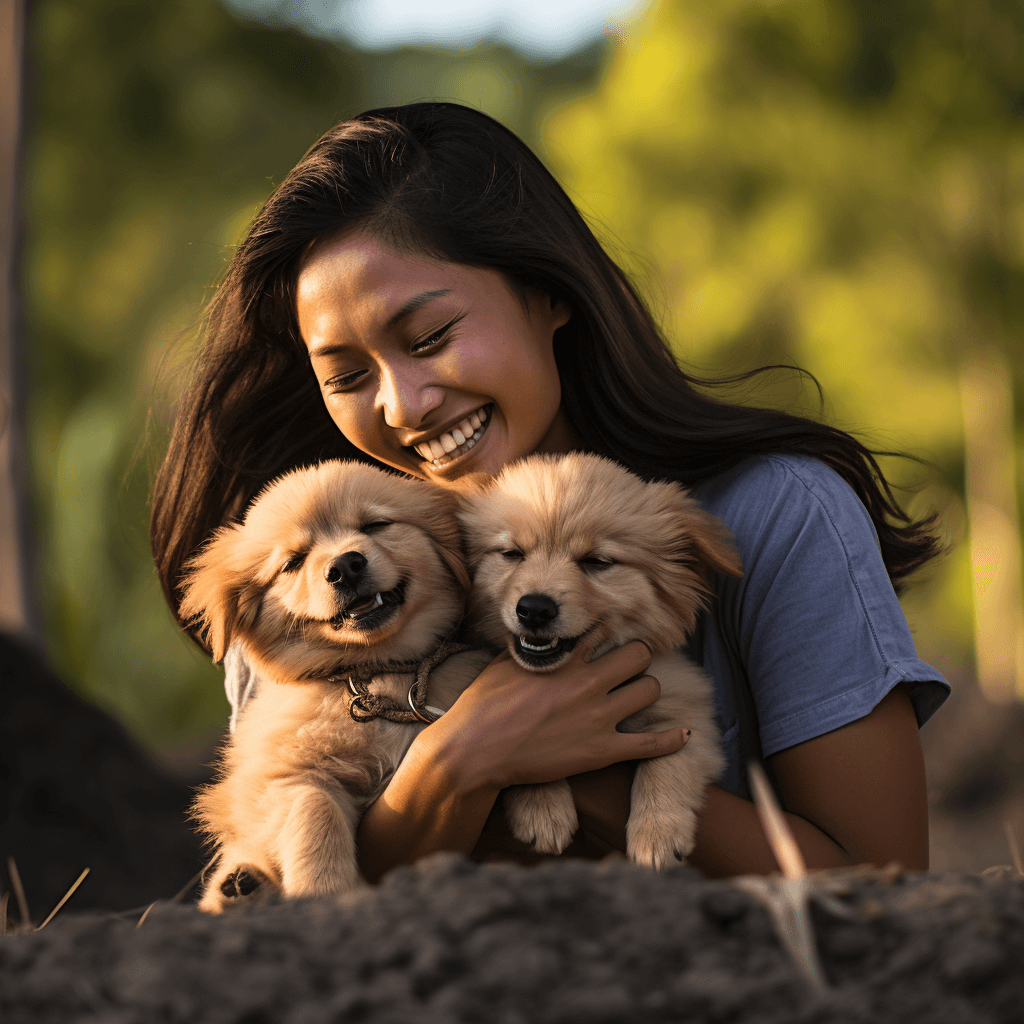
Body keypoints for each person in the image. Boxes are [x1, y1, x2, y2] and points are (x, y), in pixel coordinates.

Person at [151, 102, 949, 881]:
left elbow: (889, 890)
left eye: (430, 338)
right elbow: (265, 939)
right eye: (349, 376)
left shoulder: (772, 514)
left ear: (549, 292)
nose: (403, 404)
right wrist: (456, 763)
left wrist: (589, 765)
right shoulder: (304, 597)